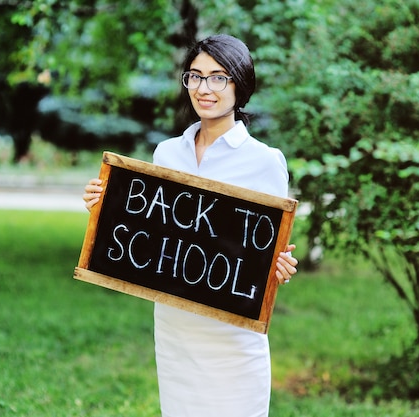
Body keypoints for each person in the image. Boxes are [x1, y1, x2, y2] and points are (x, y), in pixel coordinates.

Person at [82, 34, 298, 417]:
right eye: (195, 77)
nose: (204, 88)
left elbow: (264, 251)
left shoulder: (264, 161)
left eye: (218, 78)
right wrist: (106, 206)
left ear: (240, 84)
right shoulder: (167, 153)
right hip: (174, 330)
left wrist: (279, 268)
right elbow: (151, 235)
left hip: (232, 338)